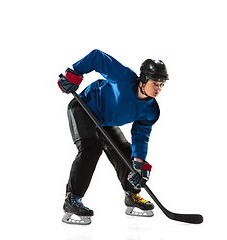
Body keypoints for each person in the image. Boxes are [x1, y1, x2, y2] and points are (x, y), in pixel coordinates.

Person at [58, 49, 169, 225]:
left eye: (162, 85)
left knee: (126, 153)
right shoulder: (124, 78)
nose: (158, 89)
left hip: (104, 121)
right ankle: (72, 199)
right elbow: (97, 57)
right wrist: (74, 74)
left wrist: (139, 166)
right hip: (83, 107)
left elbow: (141, 136)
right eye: (155, 83)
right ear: (144, 79)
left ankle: (131, 194)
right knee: (91, 149)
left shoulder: (151, 110)